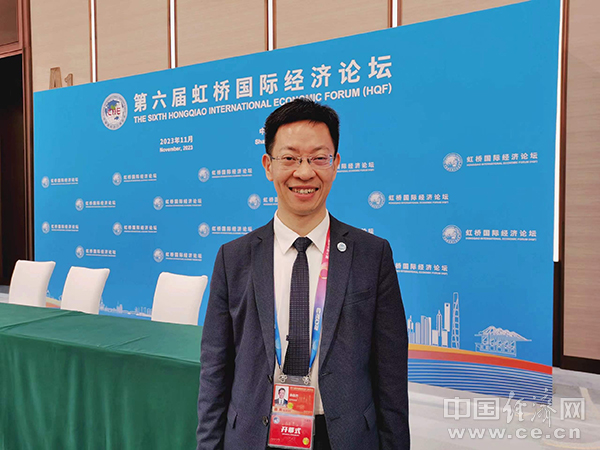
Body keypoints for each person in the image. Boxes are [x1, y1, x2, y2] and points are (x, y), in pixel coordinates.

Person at [197, 98, 409, 450]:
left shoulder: (372, 255)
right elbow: (214, 371)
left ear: (336, 164)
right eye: (290, 158)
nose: (305, 172)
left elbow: (391, 376)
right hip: (254, 434)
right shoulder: (233, 258)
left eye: (318, 158)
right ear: (268, 165)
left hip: (342, 437)